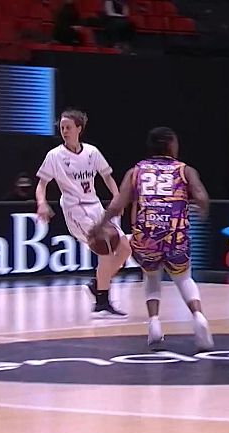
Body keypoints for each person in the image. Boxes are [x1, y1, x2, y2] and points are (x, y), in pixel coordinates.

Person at [89, 127, 214, 349]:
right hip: (175, 235)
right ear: (170, 145)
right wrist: (200, 207)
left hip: (146, 236)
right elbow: (202, 197)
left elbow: (118, 204)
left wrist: (100, 224)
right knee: (184, 278)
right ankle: (198, 317)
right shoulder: (184, 170)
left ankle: (154, 324)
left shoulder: (136, 171)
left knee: (152, 278)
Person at [35, 109, 131, 319]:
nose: (65, 131)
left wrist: (117, 198)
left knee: (125, 248)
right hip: (75, 210)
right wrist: (41, 204)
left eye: (68, 127)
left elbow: (107, 177)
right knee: (104, 249)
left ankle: (98, 283)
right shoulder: (54, 156)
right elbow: (41, 184)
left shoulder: (92, 152)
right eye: (62, 128)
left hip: (96, 207)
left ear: (79, 129)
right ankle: (102, 303)